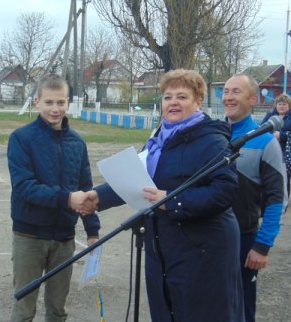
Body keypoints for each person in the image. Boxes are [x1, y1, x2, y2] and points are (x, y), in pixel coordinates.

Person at [79, 69, 244, 322]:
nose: (173, 103)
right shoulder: (159, 138)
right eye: (167, 97)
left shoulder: (211, 140)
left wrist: (172, 201)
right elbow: (139, 179)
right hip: (163, 245)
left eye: (182, 96)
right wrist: (98, 197)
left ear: (198, 102)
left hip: (202, 251)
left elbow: (225, 190)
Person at [7, 73, 100, 322]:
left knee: (58, 310)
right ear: (37, 102)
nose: (55, 109)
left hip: (63, 238)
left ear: (68, 103)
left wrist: (92, 232)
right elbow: (24, 187)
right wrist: (67, 199)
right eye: (49, 102)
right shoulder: (21, 138)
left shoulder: (77, 143)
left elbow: (86, 187)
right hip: (29, 237)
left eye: (60, 102)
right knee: (24, 308)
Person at [222, 74, 287, 322]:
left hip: (243, 239)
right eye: (226, 91)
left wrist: (262, 246)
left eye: (236, 91)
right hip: (209, 238)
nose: (228, 97)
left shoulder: (265, 141)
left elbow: (277, 199)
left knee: (241, 309)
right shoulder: (212, 136)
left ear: (253, 100)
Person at [262, 93, 291, 196]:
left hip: (286, 152)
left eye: (284, 104)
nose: (281, 106)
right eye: (279, 104)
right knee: (269, 175)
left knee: (285, 176)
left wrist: (282, 135)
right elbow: (261, 129)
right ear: (276, 105)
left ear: (289, 106)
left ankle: (285, 198)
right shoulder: (270, 116)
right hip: (270, 151)